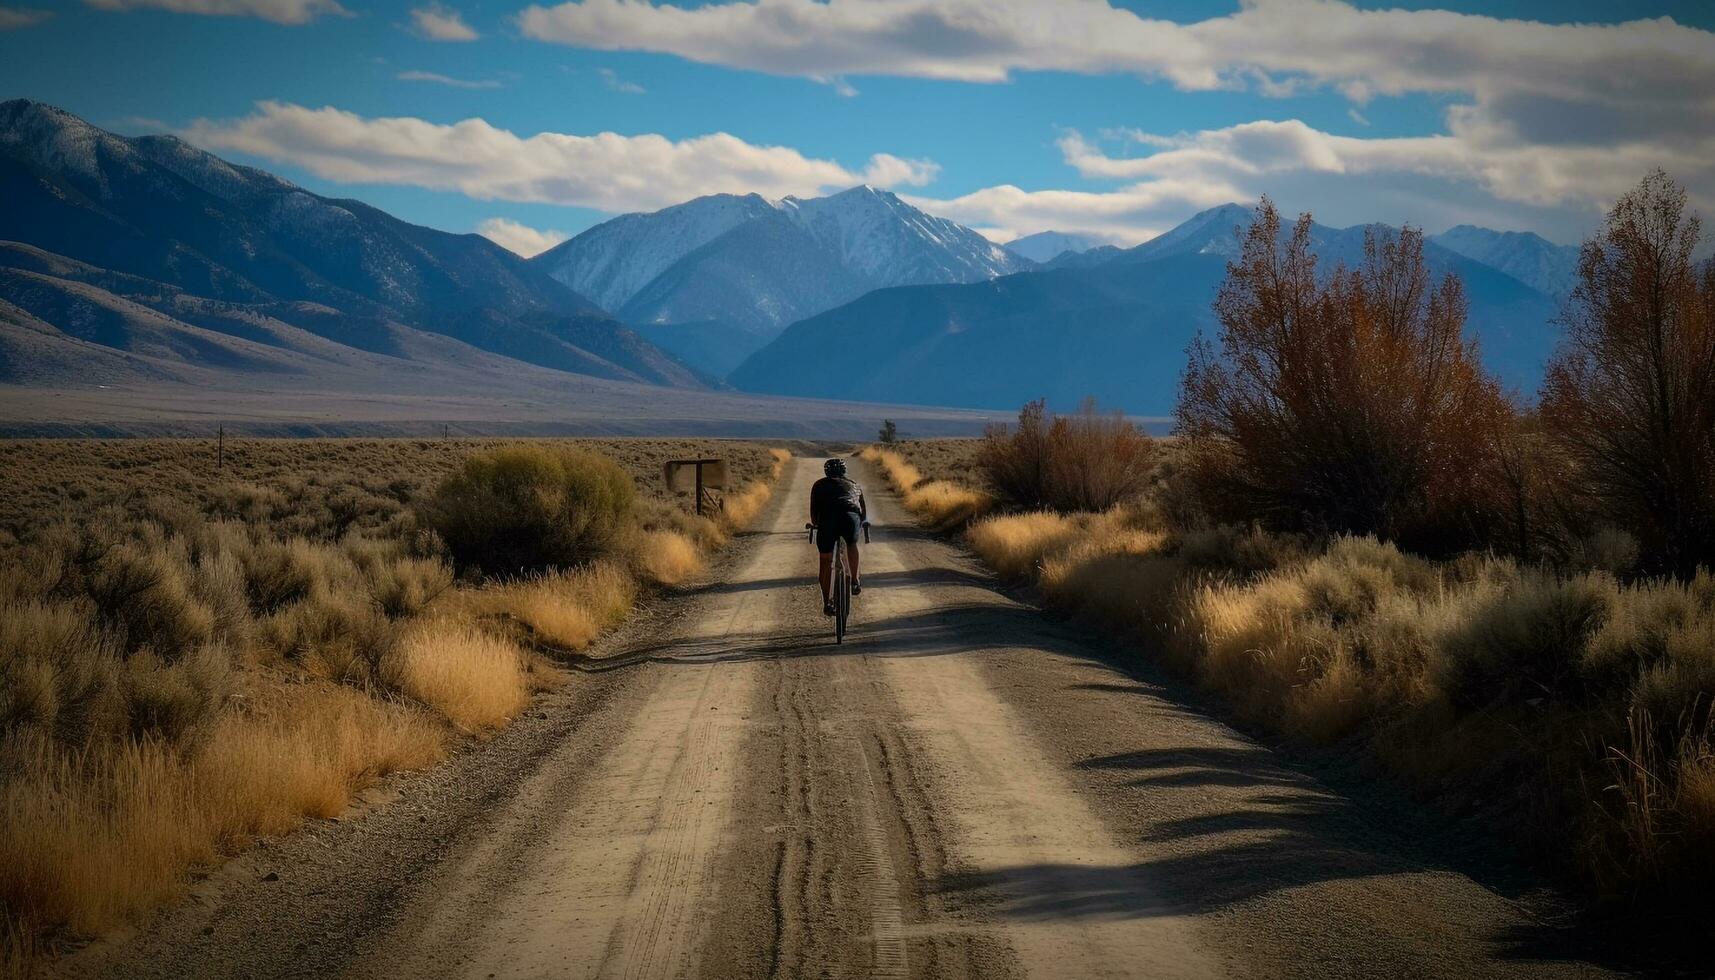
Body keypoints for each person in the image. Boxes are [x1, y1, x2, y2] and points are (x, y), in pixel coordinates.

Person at [809, 457, 866, 616]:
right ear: (844, 472)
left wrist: (816, 525)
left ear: (826, 472)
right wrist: (859, 526)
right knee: (851, 544)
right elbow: (863, 514)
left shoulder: (819, 485)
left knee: (825, 559)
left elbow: (814, 515)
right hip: (850, 517)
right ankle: (855, 581)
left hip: (828, 520)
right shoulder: (854, 485)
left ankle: (828, 602)